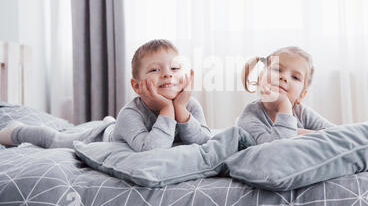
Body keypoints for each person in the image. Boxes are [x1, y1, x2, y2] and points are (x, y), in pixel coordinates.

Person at [0, 39, 212, 151]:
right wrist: (167, 109)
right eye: (155, 70)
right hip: (102, 138)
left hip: (119, 127)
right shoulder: (131, 112)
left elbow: (203, 140)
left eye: (174, 68)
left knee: (113, 124)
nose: (167, 73)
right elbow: (152, 150)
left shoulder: (188, 105)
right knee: (56, 139)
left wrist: (181, 111)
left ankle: (110, 123)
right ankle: (17, 131)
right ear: (137, 87)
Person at [236, 46, 336, 145]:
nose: (284, 77)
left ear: (301, 95)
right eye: (277, 70)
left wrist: (297, 132)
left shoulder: (301, 112)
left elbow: (338, 135)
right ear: (260, 78)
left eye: (295, 77)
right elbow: (275, 149)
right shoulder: (249, 117)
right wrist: (283, 104)